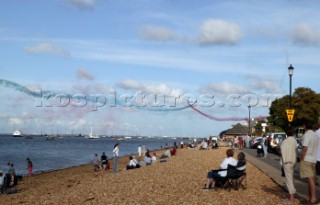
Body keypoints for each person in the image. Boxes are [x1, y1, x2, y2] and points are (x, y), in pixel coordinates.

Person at [300, 121, 318, 204]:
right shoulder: (315, 134)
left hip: (307, 159)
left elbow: (305, 148)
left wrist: (302, 158)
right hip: (313, 159)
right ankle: (309, 197)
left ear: (304, 126)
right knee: (311, 179)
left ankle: (313, 198)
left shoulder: (307, 135)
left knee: (309, 179)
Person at [281, 126, 297, 204]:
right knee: (291, 178)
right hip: (293, 162)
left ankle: (291, 199)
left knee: (289, 180)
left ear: (286, 133)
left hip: (287, 162)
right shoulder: (294, 141)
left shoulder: (285, 141)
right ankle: (292, 197)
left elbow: (282, 152)